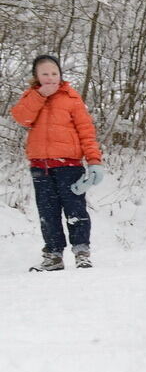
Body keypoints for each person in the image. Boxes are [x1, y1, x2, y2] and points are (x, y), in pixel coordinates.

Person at [11, 54, 105, 271]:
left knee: (75, 209)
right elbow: (21, 118)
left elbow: (86, 131)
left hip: (69, 166)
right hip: (40, 167)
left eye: (54, 73)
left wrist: (94, 161)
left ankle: (82, 251)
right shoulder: (31, 96)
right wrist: (39, 96)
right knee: (48, 213)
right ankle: (53, 255)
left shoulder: (71, 98)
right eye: (45, 74)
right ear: (36, 76)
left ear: (60, 75)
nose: (50, 77)